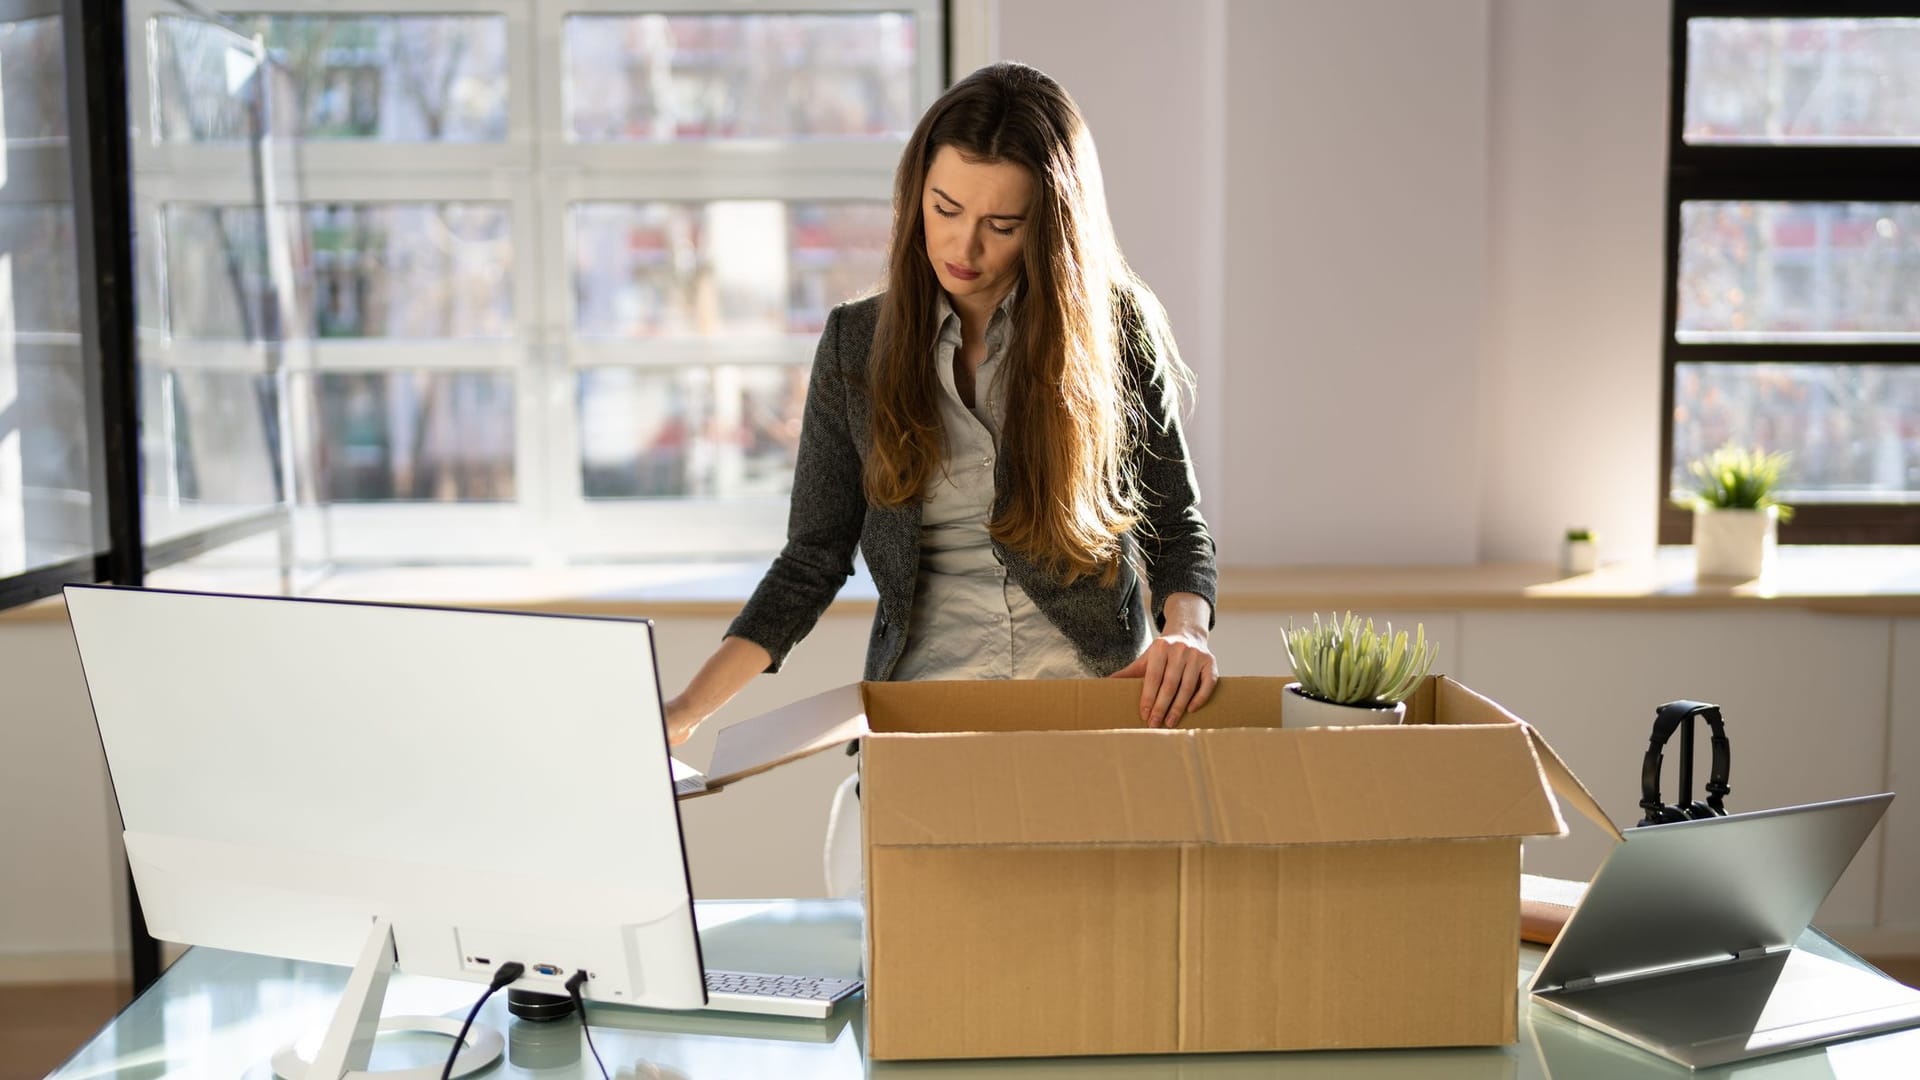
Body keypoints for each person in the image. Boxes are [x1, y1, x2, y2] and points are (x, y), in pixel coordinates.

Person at [664, 60, 1217, 748]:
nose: (964, 246)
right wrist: (683, 713)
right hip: (925, 712)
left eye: (1003, 223)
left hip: (1094, 704)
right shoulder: (853, 345)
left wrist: (1187, 628)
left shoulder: (1114, 330)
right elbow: (812, 559)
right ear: (916, 193)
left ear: (1049, 226)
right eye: (945, 209)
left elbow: (1174, 518)